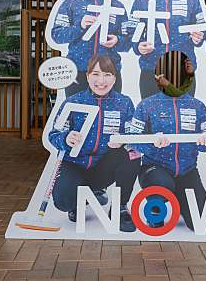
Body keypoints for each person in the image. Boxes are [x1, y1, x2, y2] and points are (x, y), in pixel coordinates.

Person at [48, 55, 140, 232]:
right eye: (96, 74)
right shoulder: (72, 101)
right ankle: (81, 199)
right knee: (63, 202)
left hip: (102, 166)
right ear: (88, 75)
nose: (101, 81)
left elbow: (133, 135)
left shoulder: (124, 103)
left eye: (107, 75)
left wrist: (122, 140)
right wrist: (66, 138)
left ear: (114, 77)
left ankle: (120, 207)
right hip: (75, 164)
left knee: (132, 155)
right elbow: (54, 135)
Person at [129, 71, 206, 231]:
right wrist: (152, 142)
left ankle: (182, 199)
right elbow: (132, 138)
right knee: (163, 184)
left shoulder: (198, 106)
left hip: (187, 171)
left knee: (201, 224)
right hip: (155, 168)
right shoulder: (146, 105)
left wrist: (205, 141)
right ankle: (155, 208)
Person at [129, 0, 205, 99]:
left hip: (183, 70)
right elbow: (131, 32)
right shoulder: (142, 0)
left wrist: (199, 37)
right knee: (151, 118)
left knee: (183, 118)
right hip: (151, 70)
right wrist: (138, 46)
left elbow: (203, 28)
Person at [51, 0, 129, 96]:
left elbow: (129, 40)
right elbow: (56, 35)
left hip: (109, 73)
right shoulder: (71, 3)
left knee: (109, 116)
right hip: (78, 72)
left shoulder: (118, 7)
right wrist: (79, 26)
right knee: (78, 116)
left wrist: (117, 41)